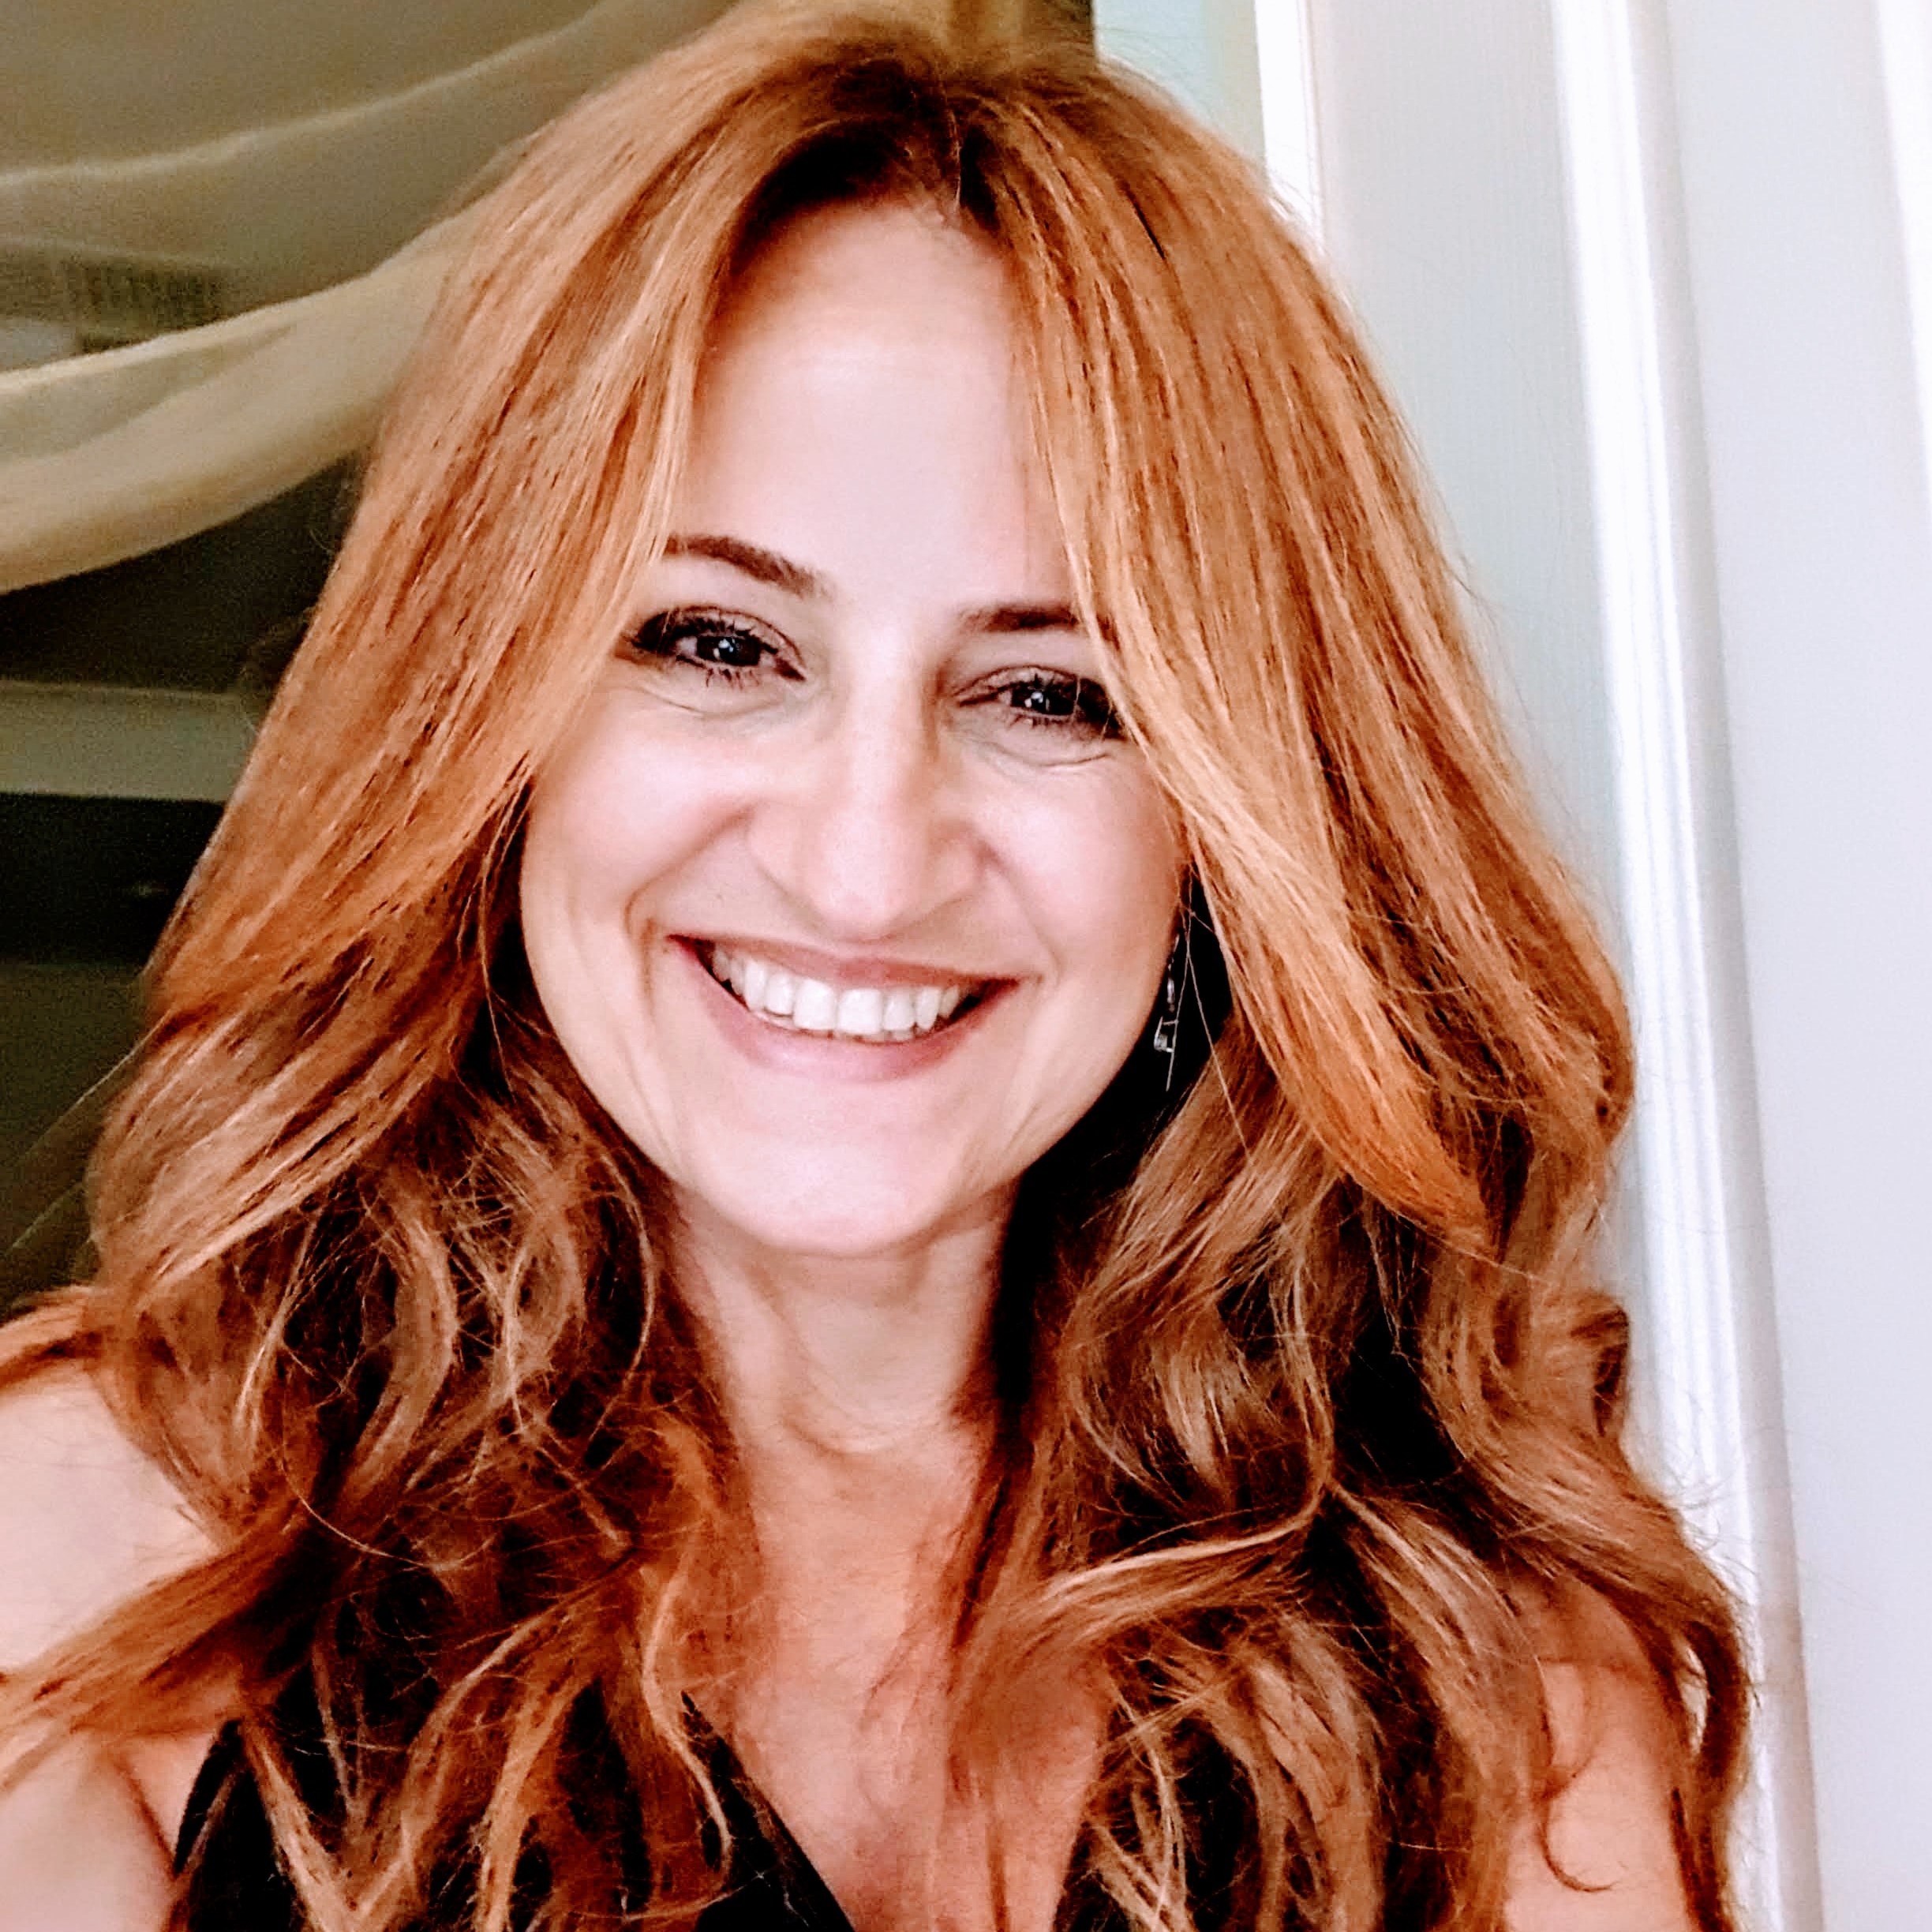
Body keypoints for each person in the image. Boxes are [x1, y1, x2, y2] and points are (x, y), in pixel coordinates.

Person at [0, 8, 1748, 1930]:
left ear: (1230, 822)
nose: (864, 863)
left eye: (1050, 692)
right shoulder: (93, 1577)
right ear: (490, 722)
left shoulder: (1482, 1657)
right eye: (718, 645)